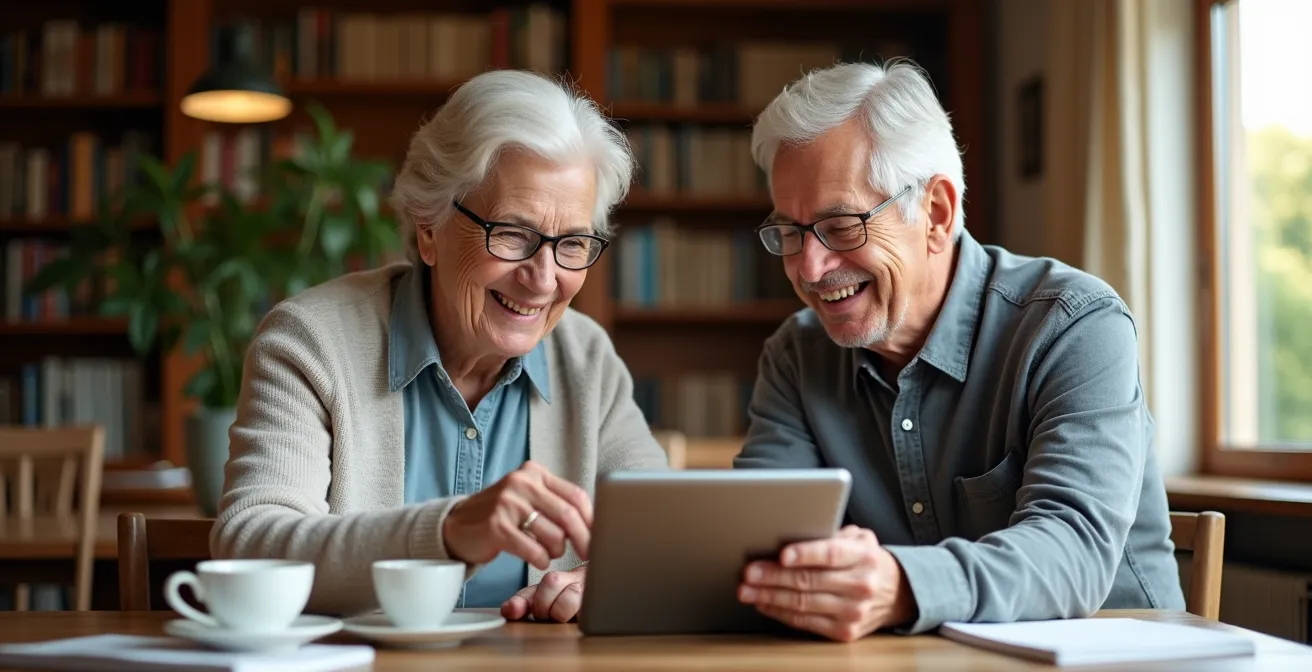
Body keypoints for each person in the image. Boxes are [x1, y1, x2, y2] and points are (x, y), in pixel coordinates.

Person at [733, 60, 1184, 641]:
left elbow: (1073, 552)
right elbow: (763, 542)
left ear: (936, 214)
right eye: (790, 233)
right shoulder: (796, 355)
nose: (810, 268)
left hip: (1120, 649)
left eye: (841, 226)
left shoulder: (1074, 325)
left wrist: (902, 585)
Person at [211, 69, 668, 623]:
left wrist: (614, 576)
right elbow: (253, 546)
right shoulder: (311, 343)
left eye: (571, 243)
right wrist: (449, 532)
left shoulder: (587, 359)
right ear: (430, 227)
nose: (544, 278)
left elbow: (659, 535)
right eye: (514, 234)